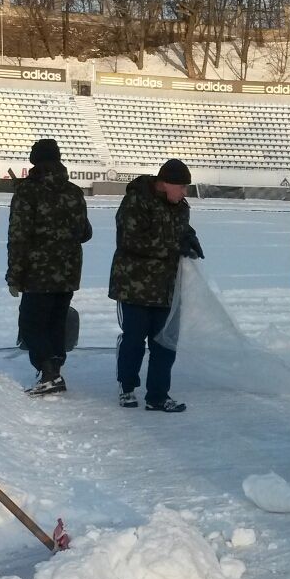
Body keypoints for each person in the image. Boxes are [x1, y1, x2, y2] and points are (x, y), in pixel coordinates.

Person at [108, 158, 203, 412]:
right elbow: (130, 240)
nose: (185, 193)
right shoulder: (136, 201)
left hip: (167, 288)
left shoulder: (181, 206)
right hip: (134, 286)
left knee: (165, 343)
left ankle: (158, 395)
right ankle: (127, 387)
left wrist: (190, 237)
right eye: (181, 187)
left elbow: (178, 228)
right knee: (134, 341)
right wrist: (174, 246)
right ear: (164, 184)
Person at [7, 138, 93, 396]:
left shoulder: (27, 192)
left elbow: (18, 236)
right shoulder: (74, 192)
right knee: (57, 321)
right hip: (68, 271)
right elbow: (85, 233)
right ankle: (54, 368)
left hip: (37, 272)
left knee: (32, 324)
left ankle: (48, 373)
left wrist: (14, 275)